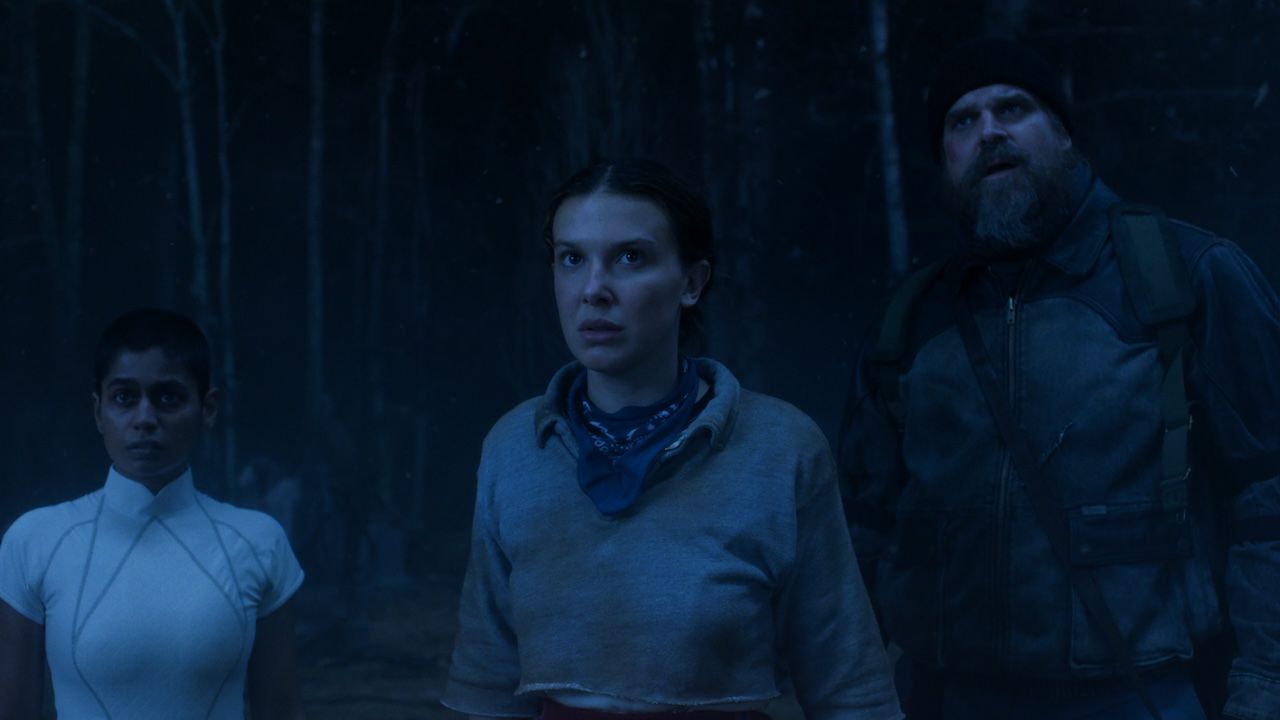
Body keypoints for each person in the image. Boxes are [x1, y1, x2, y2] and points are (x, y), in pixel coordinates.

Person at [839, 37, 1280, 719]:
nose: (989, 131)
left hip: (1145, 696)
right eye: (963, 120)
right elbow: (860, 532)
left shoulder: (1184, 277)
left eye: (1013, 108)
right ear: (945, 159)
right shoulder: (910, 322)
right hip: (946, 700)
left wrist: (1262, 688)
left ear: (1064, 133)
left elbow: (1270, 496)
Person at [443, 158, 901, 720]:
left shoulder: (779, 448)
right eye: (572, 259)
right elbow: (484, 684)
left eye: (629, 257)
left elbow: (849, 687)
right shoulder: (515, 447)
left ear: (691, 283)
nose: (593, 290)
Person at [0, 308, 307, 719]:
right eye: (124, 398)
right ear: (98, 412)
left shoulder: (258, 542)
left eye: (168, 398)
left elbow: (280, 709)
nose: (144, 419)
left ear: (208, 409)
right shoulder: (36, 541)